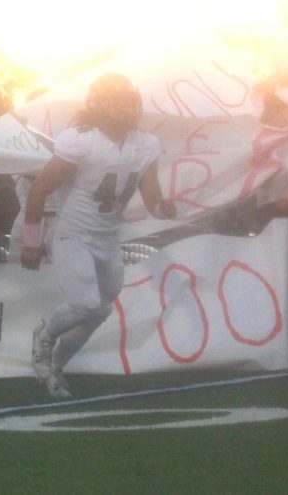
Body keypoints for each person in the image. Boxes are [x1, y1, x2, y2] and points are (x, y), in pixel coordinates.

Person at [22, 73, 175, 398]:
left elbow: (153, 200)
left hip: (108, 239)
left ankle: (56, 366)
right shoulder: (81, 140)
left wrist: (164, 209)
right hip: (73, 234)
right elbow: (38, 192)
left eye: (128, 98)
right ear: (99, 104)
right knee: (86, 304)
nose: (125, 106)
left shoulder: (144, 144)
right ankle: (45, 337)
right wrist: (32, 242)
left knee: (100, 311)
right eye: (116, 99)